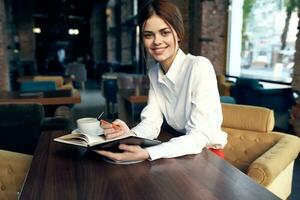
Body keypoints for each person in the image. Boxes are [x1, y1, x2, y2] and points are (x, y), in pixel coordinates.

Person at [97, 0, 227, 162]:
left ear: (178, 34)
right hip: (179, 150)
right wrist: (130, 134)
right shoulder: (154, 73)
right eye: (149, 35)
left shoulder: (199, 66)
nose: (157, 41)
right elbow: (151, 123)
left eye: (164, 32)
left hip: (207, 156)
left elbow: (199, 137)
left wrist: (149, 153)